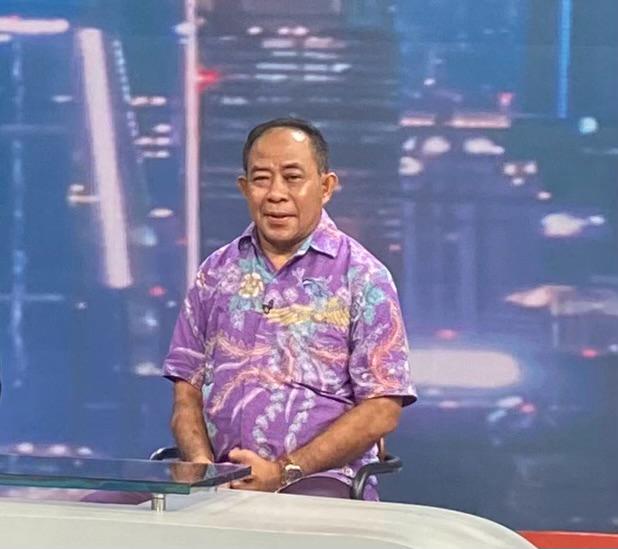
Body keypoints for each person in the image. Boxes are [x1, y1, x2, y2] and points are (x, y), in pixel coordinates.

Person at [164, 118, 416, 499]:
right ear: (244, 188)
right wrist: (203, 469)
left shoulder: (364, 277)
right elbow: (187, 393)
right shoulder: (214, 274)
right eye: (262, 179)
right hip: (220, 483)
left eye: (292, 178)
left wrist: (283, 471)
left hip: (322, 481)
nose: (276, 194)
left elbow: (382, 408)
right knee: (105, 511)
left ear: (326, 187)